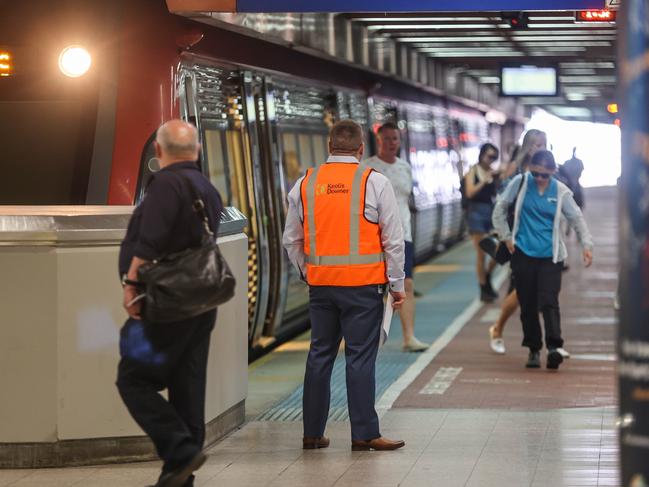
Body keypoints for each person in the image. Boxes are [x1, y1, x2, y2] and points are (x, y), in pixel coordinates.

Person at [283, 119, 406, 451]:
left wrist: (309, 272)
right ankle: (364, 433)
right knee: (360, 358)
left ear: (329, 146)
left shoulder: (306, 183)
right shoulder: (373, 181)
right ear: (362, 149)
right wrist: (397, 285)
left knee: (319, 355)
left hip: (321, 288)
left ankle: (312, 433)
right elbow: (393, 239)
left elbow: (290, 239)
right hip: (363, 288)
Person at [116, 120, 223, 487]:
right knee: (187, 389)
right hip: (201, 303)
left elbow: (150, 240)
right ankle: (180, 476)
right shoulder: (206, 186)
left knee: (132, 379)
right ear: (195, 151)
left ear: (159, 152)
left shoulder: (165, 184)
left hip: (167, 303)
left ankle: (178, 451)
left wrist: (131, 284)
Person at [492, 150, 593, 370]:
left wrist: (587, 245)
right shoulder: (520, 183)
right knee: (527, 304)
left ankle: (554, 347)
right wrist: (506, 236)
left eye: (545, 175)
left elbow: (576, 218)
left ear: (553, 173)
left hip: (551, 255)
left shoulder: (560, 191)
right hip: (523, 254)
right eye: (536, 174)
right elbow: (499, 209)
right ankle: (534, 349)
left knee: (549, 301)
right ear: (530, 169)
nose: (539, 179)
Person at [363, 122, 428, 352]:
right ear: (378, 141)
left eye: (395, 139)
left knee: (406, 284)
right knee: (374, 289)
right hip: (375, 236)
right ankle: (369, 338)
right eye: (386, 138)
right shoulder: (367, 167)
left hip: (403, 235)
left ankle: (409, 337)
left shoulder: (405, 167)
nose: (391, 143)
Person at [464, 143, 500, 302]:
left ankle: (486, 276)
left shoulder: (493, 172)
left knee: (498, 251)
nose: (491, 160)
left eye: (494, 157)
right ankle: (483, 287)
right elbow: (470, 192)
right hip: (476, 214)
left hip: (491, 213)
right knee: (481, 254)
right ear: (482, 155)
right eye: (489, 156)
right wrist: (484, 181)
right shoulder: (473, 171)